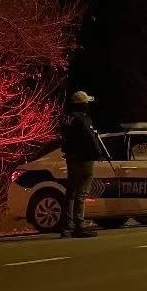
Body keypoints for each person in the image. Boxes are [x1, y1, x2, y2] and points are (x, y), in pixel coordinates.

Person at [59, 90, 103, 238]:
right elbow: (90, 137)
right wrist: (98, 153)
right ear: (83, 104)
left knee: (70, 193)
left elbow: (63, 139)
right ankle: (79, 225)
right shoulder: (83, 119)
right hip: (84, 159)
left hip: (71, 159)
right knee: (81, 193)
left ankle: (66, 227)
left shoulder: (66, 119)